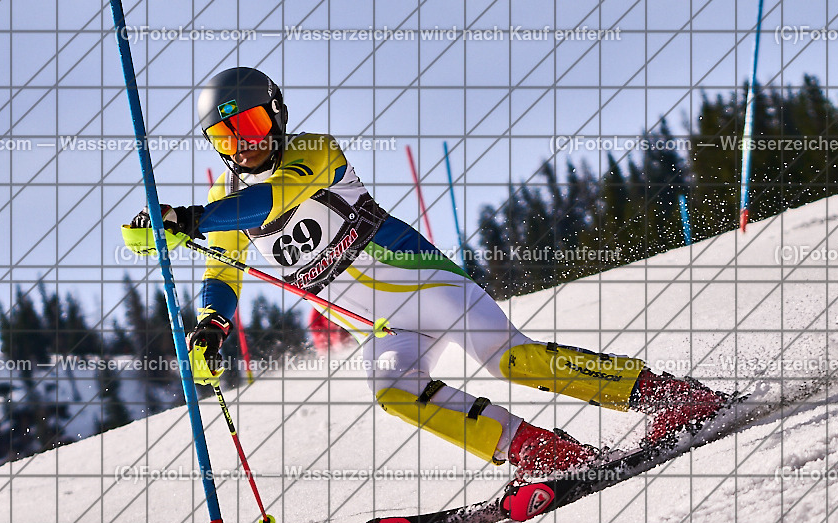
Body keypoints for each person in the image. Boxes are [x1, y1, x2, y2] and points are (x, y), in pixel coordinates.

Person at [122, 66, 727, 480]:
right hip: (380, 326)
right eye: (225, 135)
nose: (243, 145)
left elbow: (270, 203)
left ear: (276, 117)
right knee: (395, 392)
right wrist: (210, 325)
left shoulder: (314, 153)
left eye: (250, 125)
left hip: (428, 286)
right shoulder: (226, 205)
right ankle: (540, 452)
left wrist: (186, 216)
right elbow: (222, 274)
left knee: (512, 361)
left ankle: (671, 397)